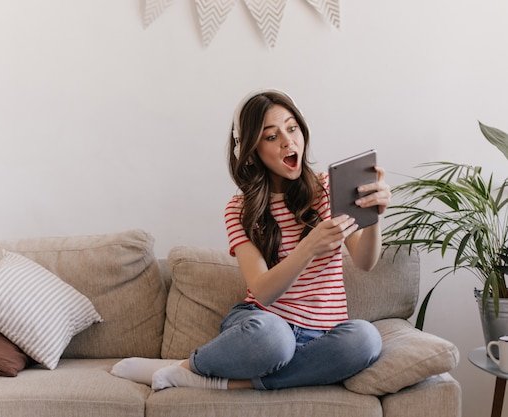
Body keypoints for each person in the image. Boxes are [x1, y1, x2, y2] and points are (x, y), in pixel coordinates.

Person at [111, 88, 392, 391]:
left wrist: (374, 217)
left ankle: (206, 378)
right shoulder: (240, 210)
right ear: (252, 149)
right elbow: (263, 292)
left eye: (292, 127)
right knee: (275, 337)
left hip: (322, 336)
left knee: (365, 339)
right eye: (271, 136)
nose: (288, 140)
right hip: (263, 327)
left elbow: (365, 262)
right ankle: (192, 364)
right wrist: (309, 247)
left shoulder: (326, 190)